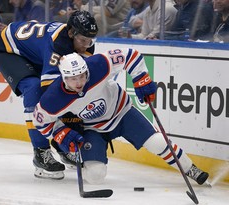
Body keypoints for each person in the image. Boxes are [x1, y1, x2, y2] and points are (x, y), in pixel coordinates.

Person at [33, 48, 209, 185]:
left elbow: (130, 55)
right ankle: (86, 164)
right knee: (96, 177)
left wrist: (141, 78)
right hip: (93, 128)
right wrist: (60, 133)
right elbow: (40, 121)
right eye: (73, 79)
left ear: (87, 70)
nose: (79, 82)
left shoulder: (97, 65)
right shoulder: (53, 98)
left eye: (82, 76)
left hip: (122, 112)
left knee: (159, 143)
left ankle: (190, 169)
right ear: (64, 78)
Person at [0, 11, 98, 179]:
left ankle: (61, 147)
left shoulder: (83, 43)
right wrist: (61, 132)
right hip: (10, 53)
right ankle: (41, 153)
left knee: (68, 90)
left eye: (90, 40)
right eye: (83, 40)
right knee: (35, 91)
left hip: (34, 54)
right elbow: (50, 90)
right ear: (71, 33)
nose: (87, 45)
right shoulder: (58, 44)